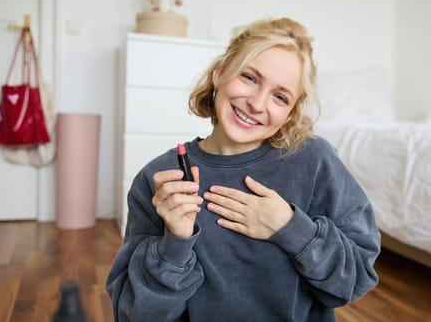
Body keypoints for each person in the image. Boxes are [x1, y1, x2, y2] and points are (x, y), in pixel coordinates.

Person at [106, 17, 380, 322]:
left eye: (280, 96)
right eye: (249, 77)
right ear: (220, 73)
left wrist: (291, 228)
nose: (257, 103)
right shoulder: (159, 178)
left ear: (291, 112)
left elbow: (354, 281)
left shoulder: (315, 162)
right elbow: (134, 315)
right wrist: (176, 243)